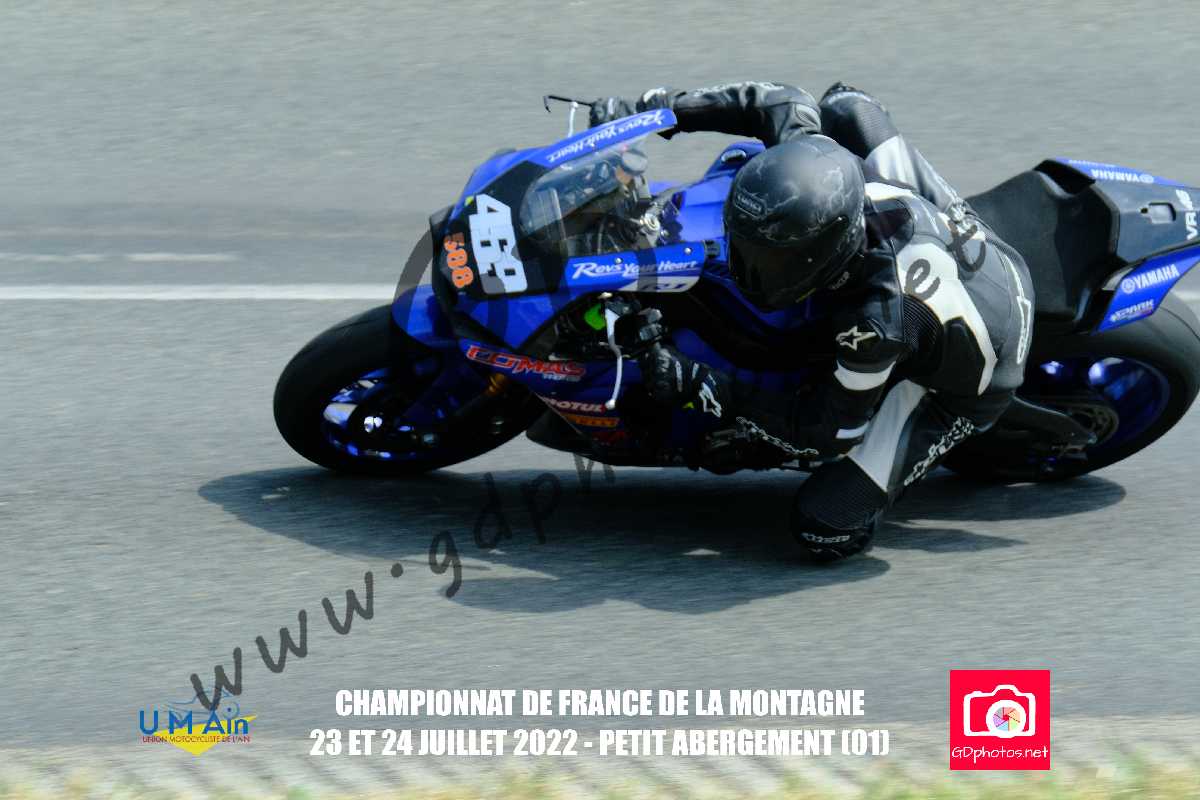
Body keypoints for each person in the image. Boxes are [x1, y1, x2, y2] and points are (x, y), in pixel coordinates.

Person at [589, 82, 1035, 561]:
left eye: (769, 260)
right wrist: (654, 112)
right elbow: (781, 101)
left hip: (981, 367)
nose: (747, 264)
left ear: (820, 256)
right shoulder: (822, 172)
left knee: (825, 525)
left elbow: (827, 434)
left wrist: (707, 386)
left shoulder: (875, 324)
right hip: (951, 235)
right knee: (845, 106)